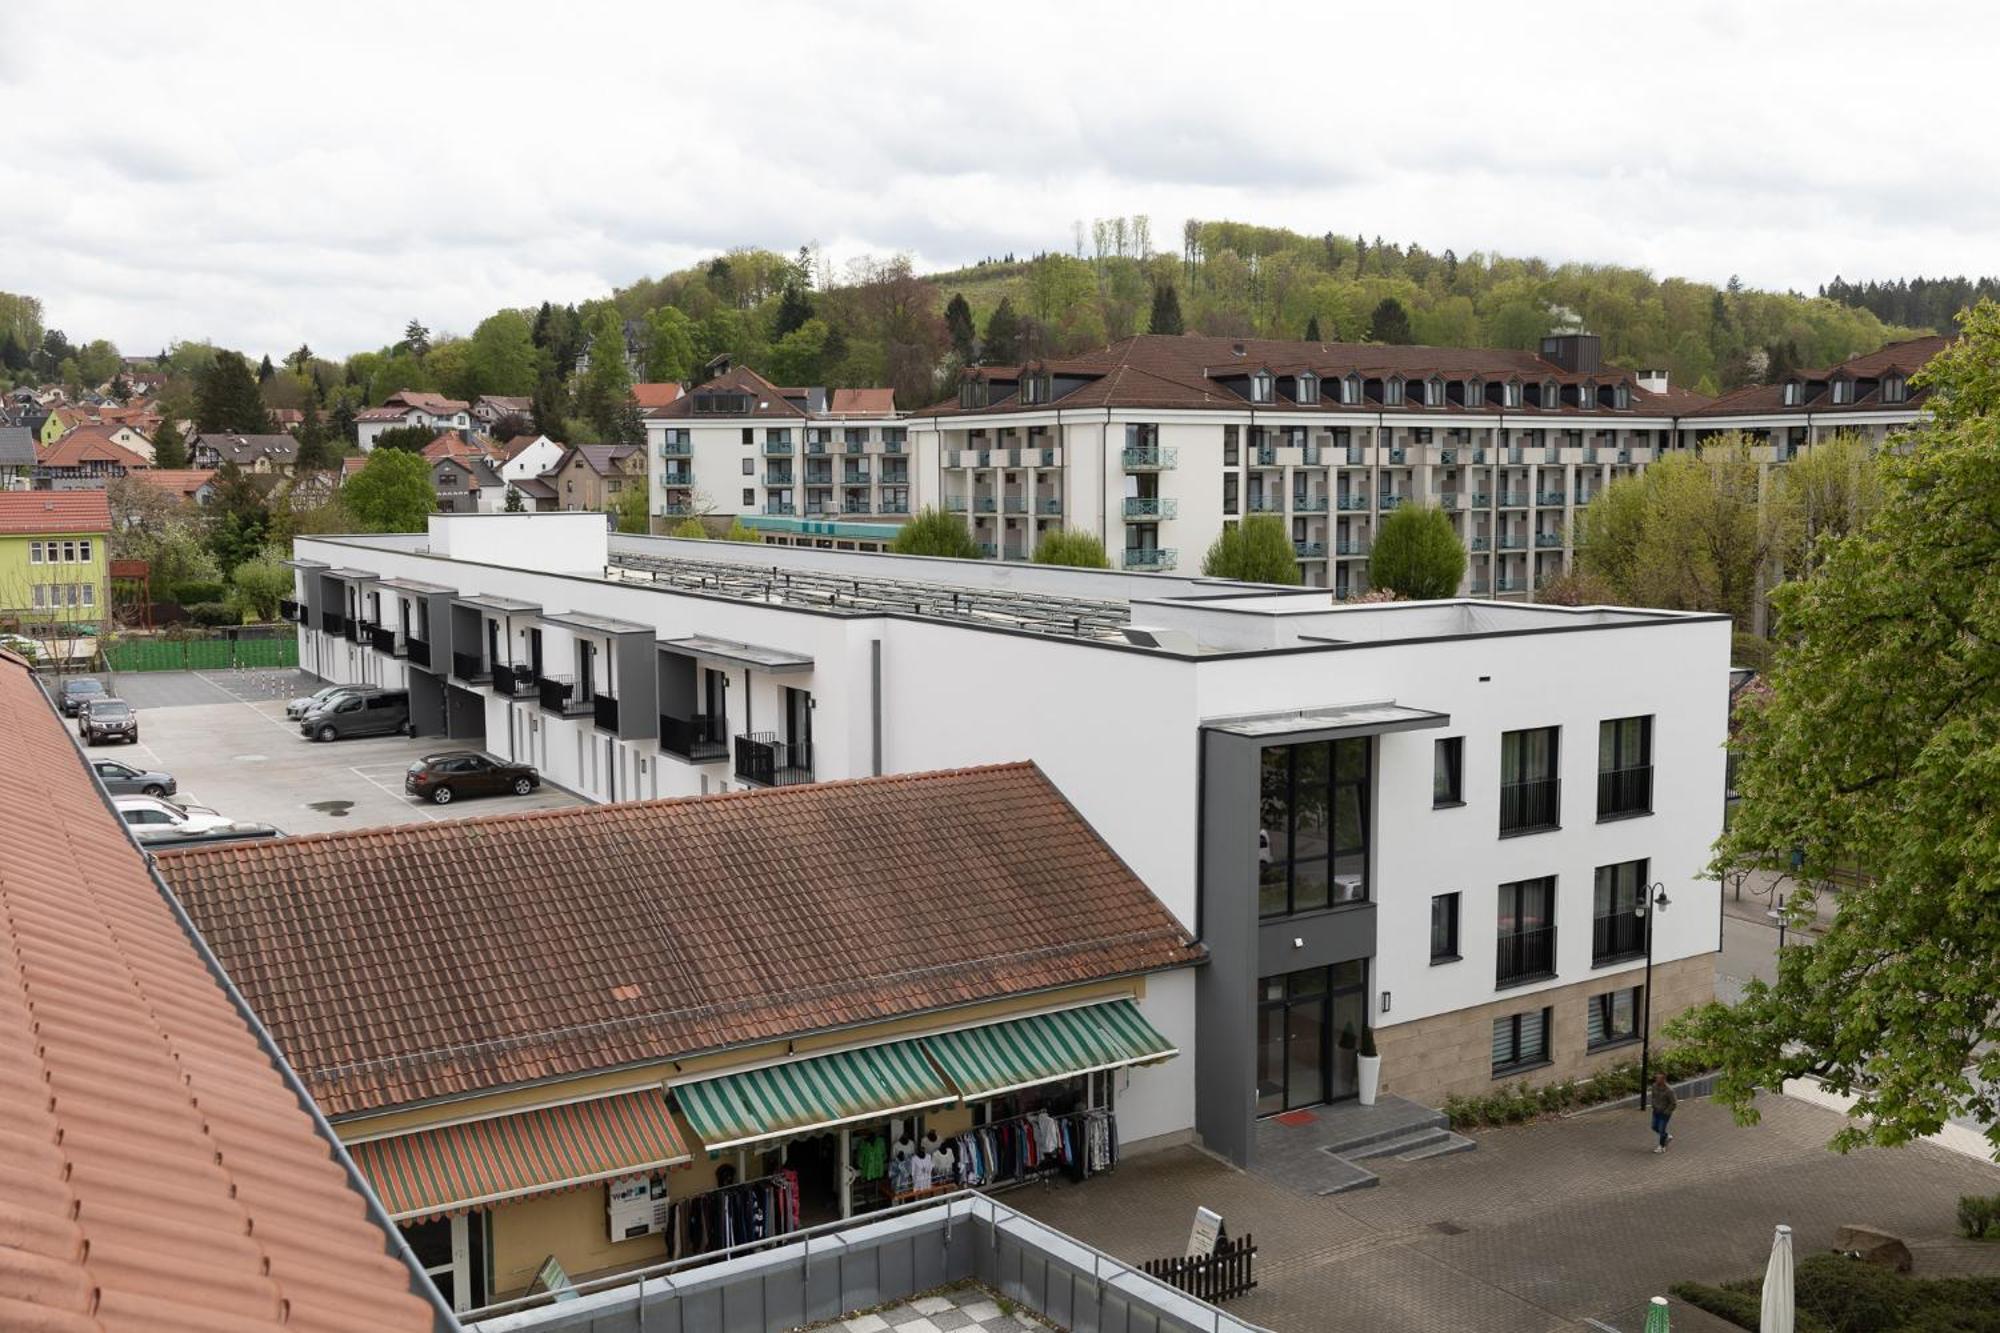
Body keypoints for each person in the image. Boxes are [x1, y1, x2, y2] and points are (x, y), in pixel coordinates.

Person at [1650, 1073, 1677, 1153]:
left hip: (1664, 1113)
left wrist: (1667, 1111)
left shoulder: (1669, 1090)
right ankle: (1666, 1136)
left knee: (1661, 1129)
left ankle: (1662, 1146)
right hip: (1656, 1111)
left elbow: (1673, 1103)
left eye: (1658, 1078)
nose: (1656, 1079)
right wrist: (1653, 1105)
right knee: (1654, 1126)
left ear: (1663, 1079)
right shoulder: (1654, 1086)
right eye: (1656, 1078)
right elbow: (1653, 1097)